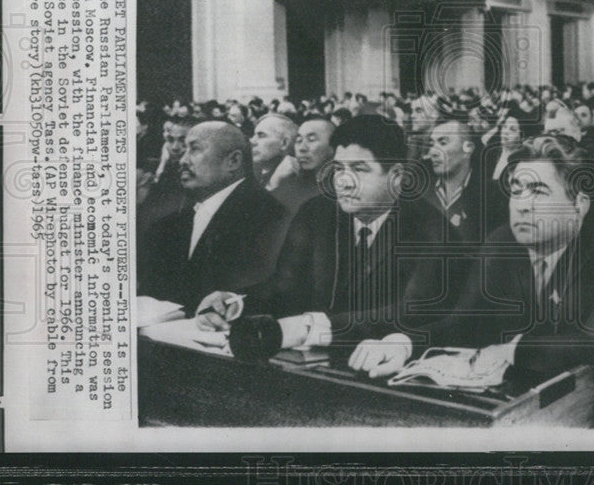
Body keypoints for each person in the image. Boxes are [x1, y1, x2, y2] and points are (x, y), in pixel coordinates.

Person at [349, 134, 594, 427]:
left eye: (539, 191)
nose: (521, 204)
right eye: (517, 189)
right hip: (524, 406)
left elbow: (591, 350)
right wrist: (404, 344)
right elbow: (464, 322)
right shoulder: (502, 242)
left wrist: (508, 350)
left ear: (579, 204)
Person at [195, 115, 459, 348]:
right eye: (339, 169)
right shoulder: (316, 213)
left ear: (396, 176)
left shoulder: (433, 231)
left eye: (359, 169)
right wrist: (236, 304)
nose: (343, 182)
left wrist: (312, 328)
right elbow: (285, 285)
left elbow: (409, 312)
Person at [138, 122, 288, 313]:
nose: (183, 160)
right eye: (184, 150)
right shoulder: (172, 222)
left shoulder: (270, 218)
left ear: (233, 161)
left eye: (194, 149)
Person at [422, 116, 507, 241]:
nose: (433, 152)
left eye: (443, 143)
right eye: (432, 144)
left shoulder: (492, 196)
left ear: (468, 148)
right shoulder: (420, 192)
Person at [268, 115, 336, 218]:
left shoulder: (341, 189)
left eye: (311, 139)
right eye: (298, 141)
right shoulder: (290, 183)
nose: (302, 148)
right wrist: (274, 182)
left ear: (333, 147)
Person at [250, 113, 299, 190]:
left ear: (284, 143)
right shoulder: (257, 170)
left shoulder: (294, 180)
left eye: (261, 135)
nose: (252, 141)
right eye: (253, 135)